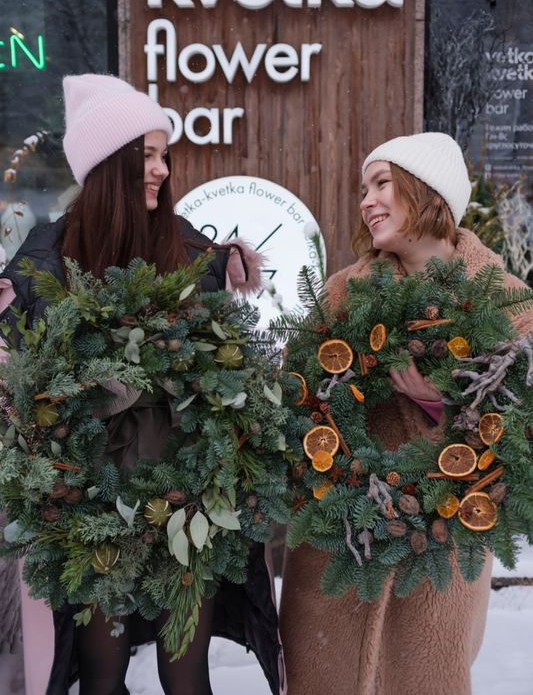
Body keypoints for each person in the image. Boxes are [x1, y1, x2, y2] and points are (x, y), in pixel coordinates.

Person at [0, 74, 284, 695]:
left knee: (186, 676)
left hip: (186, 502)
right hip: (92, 510)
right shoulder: (45, 262)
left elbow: (226, 366)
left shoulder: (186, 252)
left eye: (163, 156)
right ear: (108, 166)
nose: (160, 170)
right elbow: (25, 386)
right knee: (101, 675)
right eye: (147, 156)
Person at [279, 132, 533, 695]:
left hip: (440, 545)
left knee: (423, 674)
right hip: (337, 547)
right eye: (362, 189)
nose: (367, 201)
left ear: (426, 190)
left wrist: (440, 401)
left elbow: (522, 425)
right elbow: (295, 397)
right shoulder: (344, 294)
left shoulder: (503, 299)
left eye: (382, 184)